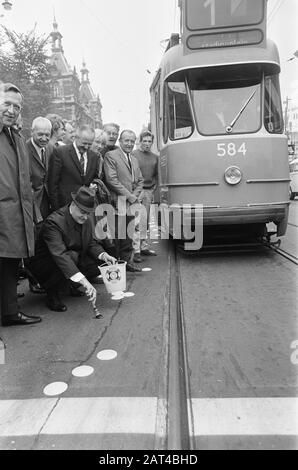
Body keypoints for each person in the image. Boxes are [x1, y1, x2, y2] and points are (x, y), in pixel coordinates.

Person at [27, 186, 116, 312]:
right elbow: (60, 254)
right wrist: (84, 281)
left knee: (101, 261)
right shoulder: (54, 222)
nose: (85, 217)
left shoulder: (85, 218)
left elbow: (91, 244)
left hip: (71, 255)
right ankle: (52, 293)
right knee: (71, 256)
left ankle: (69, 285)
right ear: (73, 205)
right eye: (83, 212)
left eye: (88, 213)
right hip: (44, 262)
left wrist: (103, 255)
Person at [0, 82, 41, 326]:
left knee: (9, 265)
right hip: (5, 213)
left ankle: (9, 312)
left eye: (17, 106)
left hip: (13, 214)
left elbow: (24, 181)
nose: (12, 110)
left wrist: (32, 213)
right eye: (7, 104)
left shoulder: (13, 136)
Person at [104, 130, 144, 272]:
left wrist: (135, 196)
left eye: (132, 141)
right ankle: (116, 267)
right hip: (117, 202)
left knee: (128, 234)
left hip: (130, 203)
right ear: (120, 141)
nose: (129, 144)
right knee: (117, 236)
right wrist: (131, 197)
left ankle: (127, 263)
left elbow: (140, 181)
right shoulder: (111, 156)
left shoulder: (134, 159)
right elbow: (112, 180)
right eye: (126, 140)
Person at [48, 124, 99, 211]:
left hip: (84, 208)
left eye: (89, 144)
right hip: (64, 207)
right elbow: (52, 184)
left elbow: (94, 178)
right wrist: (56, 209)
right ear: (76, 137)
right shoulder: (60, 153)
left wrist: (94, 185)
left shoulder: (94, 156)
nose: (86, 147)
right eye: (84, 143)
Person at [132, 131, 158, 262]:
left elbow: (156, 175)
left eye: (149, 141)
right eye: (145, 141)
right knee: (136, 220)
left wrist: (153, 189)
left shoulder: (155, 157)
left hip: (148, 191)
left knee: (145, 220)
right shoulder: (133, 154)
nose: (147, 144)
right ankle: (135, 251)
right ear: (140, 141)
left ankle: (143, 247)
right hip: (137, 190)